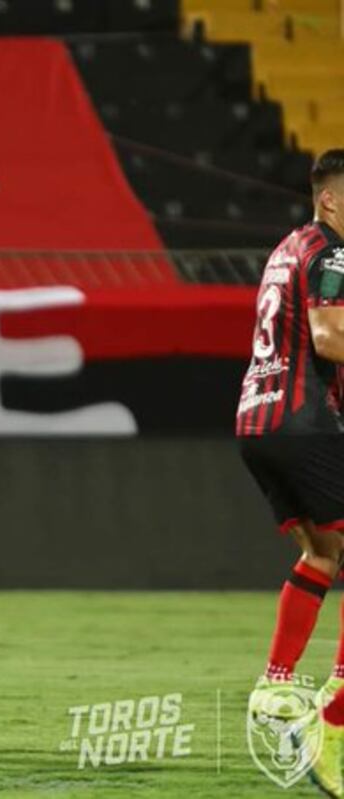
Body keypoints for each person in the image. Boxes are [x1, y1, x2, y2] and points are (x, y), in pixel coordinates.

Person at [239, 149, 344, 795]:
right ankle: (335, 714)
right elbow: (328, 338)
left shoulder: (288, 247)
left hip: (257, 420)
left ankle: (275, 687)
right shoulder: (333, 252)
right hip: (303, 421)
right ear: (329, 198)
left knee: (323, 551)